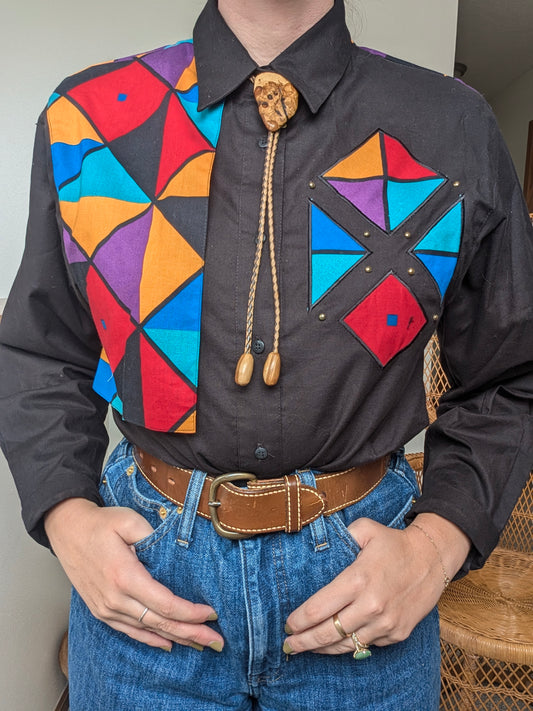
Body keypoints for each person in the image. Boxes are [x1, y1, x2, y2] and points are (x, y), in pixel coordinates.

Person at [0, 0, 532, 708]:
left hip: (364, 591)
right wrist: (66, 517)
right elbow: (39, 352)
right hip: (148, 588)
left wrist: (436, 546)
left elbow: (511, 373)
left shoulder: (451, 125)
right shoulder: (88, 118)